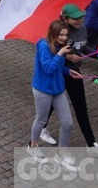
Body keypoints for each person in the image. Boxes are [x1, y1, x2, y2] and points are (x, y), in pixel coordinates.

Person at [40, 4, 98, 159]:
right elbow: (49, 49)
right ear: (65, 18)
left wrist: (95, 52)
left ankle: (91, 143)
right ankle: (41, 128)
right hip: (58, 72)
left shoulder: (82, 29)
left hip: (75, 72)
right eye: (75, 18)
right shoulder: (58, 31)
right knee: (53, 104)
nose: (78, 20)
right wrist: (67, 56)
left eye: (80, 17)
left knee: (81, 107)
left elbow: (84, 47)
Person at [25, 20, 80, 172]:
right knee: (41, 119)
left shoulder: (61, 46)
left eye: (65, 35)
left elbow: (58, 67)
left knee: (67, 123)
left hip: (58, 89)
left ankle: (62, 154)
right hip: (42, 89)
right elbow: (48, 68)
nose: (63, 38)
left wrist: (68, 72)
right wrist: (61, 54)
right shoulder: (43, 45)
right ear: (53, 34)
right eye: (60, 35)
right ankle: (33, 146)